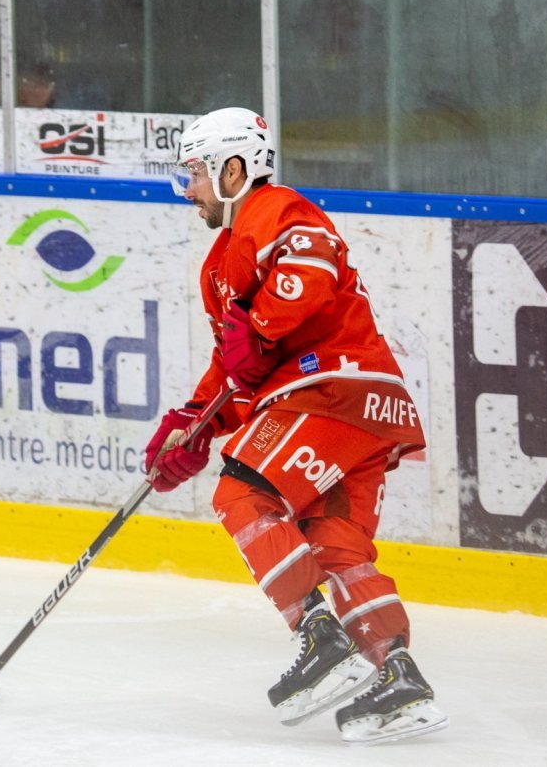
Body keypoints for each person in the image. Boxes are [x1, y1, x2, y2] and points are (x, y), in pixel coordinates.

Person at [144, 107, 448, 745]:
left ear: (234, 169)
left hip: (329, 390)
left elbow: (314, 269)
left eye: (194, 174)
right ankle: (399, 677)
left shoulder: (276, 209)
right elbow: (237, 374)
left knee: (242, 494)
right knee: (336, 547)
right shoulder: (218, 266)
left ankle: (321, 639)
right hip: (368, 409)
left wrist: (257, 329)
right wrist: (192, 427)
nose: (187, 189)